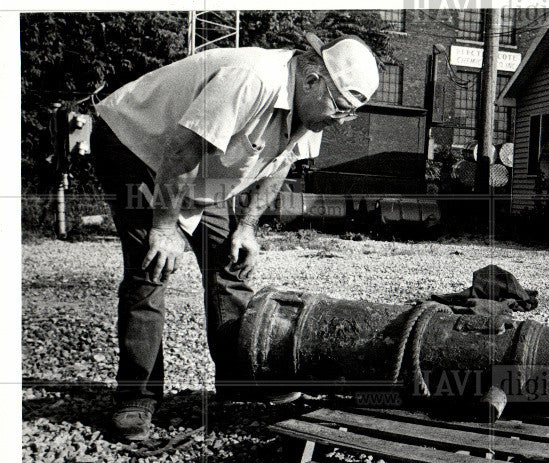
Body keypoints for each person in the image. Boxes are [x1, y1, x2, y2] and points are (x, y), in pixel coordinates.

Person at [92, 33, 379, 440]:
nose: (341, 120)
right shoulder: (253, 79)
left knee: (229, 265)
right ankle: (136, 396)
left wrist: (246, 227)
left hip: (196, 168)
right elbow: (181, 151)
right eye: (341, 109)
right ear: (314, 77)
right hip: (136, 146)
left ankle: (242, 381)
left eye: (350, 114)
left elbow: (282, 163)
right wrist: (162, 227)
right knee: (151, 266)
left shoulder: (314, 109)